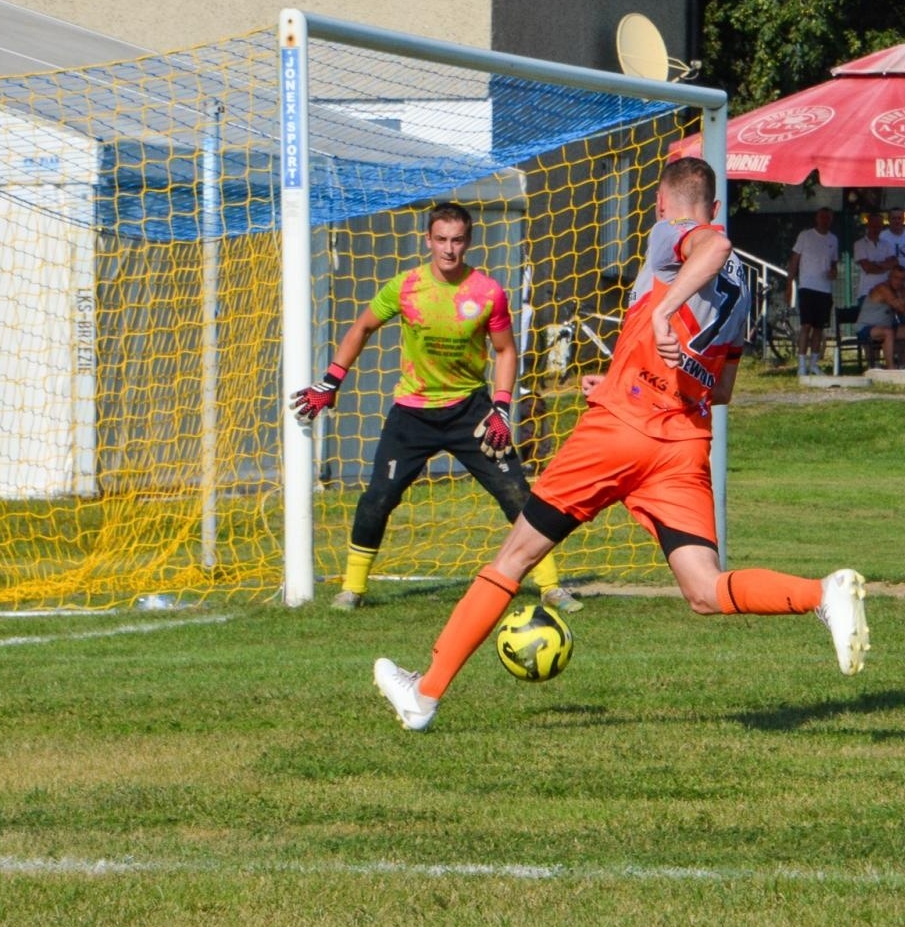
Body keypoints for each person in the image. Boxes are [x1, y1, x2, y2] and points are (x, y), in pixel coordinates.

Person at [373, 158, 870, 731]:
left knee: (514, 557)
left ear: (662, 205)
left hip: (620, 431)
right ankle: (820, 594)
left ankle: (424, 694)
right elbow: (721, 389)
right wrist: (616, 377)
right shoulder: (742, 290)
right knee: (704, 589)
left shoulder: (670, 235)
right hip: (682, 444)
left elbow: (713, 246)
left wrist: (663, 312)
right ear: (713, 203)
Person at [291, 202, 582, 615]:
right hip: (412, 414)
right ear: (427, 240)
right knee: (378, 498)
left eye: (457, 240)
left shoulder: (488, 292)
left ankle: (551, 586)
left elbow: (504, 351)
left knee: (517, 494)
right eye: (441, 239)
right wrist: (330, 382)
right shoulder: (405, 286)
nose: (449, 249)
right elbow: (363, 327)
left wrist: (501, 409)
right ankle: (352, 590)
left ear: (469, 241)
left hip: (471, 411)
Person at [786, 206, 838, 376]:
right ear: (817, 218)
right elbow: (794, 260)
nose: (825, 220)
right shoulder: (805, 236)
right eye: (822, 217)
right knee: (806, 325)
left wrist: (833, 272)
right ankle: (801, 364)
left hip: (825, 289)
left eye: (828, 218)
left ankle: (814, 364)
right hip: (807, 287)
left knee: (819, 328)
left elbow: (834, 265)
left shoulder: (833, 239)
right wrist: (789, 284)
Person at [856, 263, 905, 369]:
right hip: (866, 327)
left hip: (886, 326)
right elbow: (899, 306)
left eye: (902, 279)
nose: (899, 282)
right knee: (888, 332)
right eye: (896, 278)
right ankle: (891, 368)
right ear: (889, 276)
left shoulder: (901, 290)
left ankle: (904, 365)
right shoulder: (882, 288)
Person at [851, 211, 899, 308]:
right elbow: (868, 268)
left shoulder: (887, 244)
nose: (876, 228)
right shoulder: (859, 244)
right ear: (868, 226)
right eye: (873, 225)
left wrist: (876, 264)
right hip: (866, 292)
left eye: (879, 226)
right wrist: (885, 266)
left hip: (886, 293)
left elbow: (895, 263)